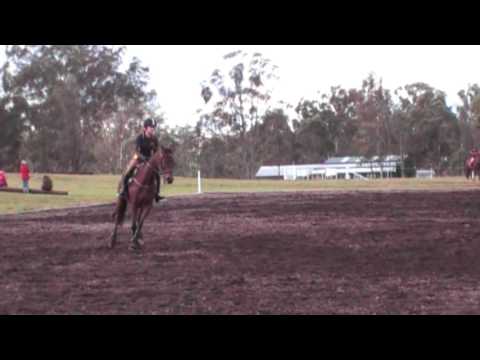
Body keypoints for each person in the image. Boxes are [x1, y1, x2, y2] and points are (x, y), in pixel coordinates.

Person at [119, 118, 164, 202]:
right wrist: (143, 158)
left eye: (154, 128)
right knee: (128, 171)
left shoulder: (154, 139)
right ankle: (124, 191)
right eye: (151, 127)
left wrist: (153, 159)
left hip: (149, 160)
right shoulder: (140, 137)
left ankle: (157, 194)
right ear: (145, 128)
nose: (153, 129)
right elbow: (136, 151)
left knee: (157, 174)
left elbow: (156, 151)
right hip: (138, 157)